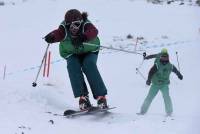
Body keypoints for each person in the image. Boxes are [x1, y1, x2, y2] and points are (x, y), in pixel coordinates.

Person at [44, 9, 108, 110]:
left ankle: (101, 97)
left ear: (81, 22)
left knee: (89, 64)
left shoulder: (86, 24)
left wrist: (83, 37)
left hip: (89, 51)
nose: (74, 27)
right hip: (72, 52)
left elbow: (94, 31)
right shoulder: (64, 28)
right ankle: (83, 97)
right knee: (73, 66)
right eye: (70, 25)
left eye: (77, 24)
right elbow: (58, 33)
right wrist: (52, 36)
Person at [139, 48, 183, 116]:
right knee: (149, 97)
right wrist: (148, 80)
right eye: (163, 57)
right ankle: (142, 111)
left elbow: (176, 70)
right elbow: (151, 72)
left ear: (168, 58)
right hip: (155, 84)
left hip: (164, 84)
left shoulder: (170, 66)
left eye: (166, 57)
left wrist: (179, 75)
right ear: (161, 57)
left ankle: (169, 112)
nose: (164, 58)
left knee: (167, 97)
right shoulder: (157, 65)